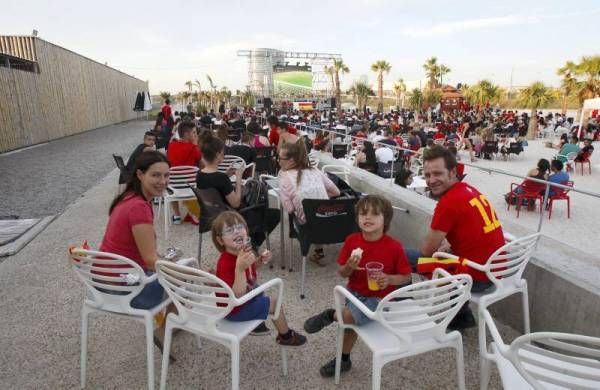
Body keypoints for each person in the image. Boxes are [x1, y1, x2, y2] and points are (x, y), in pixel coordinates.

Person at [303, 195, 412, 377]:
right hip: (354, 292)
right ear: (357, 218)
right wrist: (349, 267)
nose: (367, 218)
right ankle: (344, 360)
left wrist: (390, 279)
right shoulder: (352, 241)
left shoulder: (394, 247)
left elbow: (406, 276)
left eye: (375, 214)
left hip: (379, 299)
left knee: (348, 317)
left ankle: (330, 315)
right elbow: (342, 272)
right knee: (350, 323)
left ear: (386, 219)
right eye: (363, 214)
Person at [404, 145, 505, 330]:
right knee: (442, 256)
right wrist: (448, 247)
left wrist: (441, 249)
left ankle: (402, 306)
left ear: (452, 172)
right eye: (427, 175)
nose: (431, 180)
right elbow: (471, 234)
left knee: (400, 255)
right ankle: (461, 315)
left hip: (477, 278)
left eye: (437, 173)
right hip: (496, 270)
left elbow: (427, 251)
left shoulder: (448, 203)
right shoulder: (469, 189)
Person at [213, 211, 307, 346]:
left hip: (244, 297)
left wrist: (260, 261)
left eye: (240, 227)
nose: (237, 232)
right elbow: (236, 296)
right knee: (275, 302)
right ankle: (286, 337)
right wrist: (239, 269)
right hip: (234, 310)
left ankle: (256, 323)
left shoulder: (244, 251)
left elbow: (250, 269)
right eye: (229, 230)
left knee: (258, 289)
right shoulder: (225, 263)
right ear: (220, 240)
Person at [197, 132, 280, 249]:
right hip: (230, 216)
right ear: (218, 154)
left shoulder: (200, 174)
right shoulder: (221, 178)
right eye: (222, 152)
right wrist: (238, 178)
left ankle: (247, 241)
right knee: (274, 214)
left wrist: (227, 174)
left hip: (211, 215)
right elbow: (236, 203)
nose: (224, 154)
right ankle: (251, 244)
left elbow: (214, 184)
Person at [278, 141, 340, 266]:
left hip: (307, 227)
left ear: (291, 160)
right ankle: (319, 250)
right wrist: (318, 197)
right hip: (329, 222)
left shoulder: (284, 177)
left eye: (280, 158)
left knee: (304, 214)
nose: (278, 161)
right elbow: (336, 192)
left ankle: (316, 250)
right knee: (316, 211)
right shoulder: (316, 171)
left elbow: (289, 210)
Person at [166, 121, 202, 224]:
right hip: (190, 186)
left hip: (173, 187)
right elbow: (203, 165)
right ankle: (195, 210)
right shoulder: (193, 148)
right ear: (186, 134)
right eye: (194, 132)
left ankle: (177, 215)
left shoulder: (171, 146)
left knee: (171, 180)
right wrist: (195, 145)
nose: (196, 135)